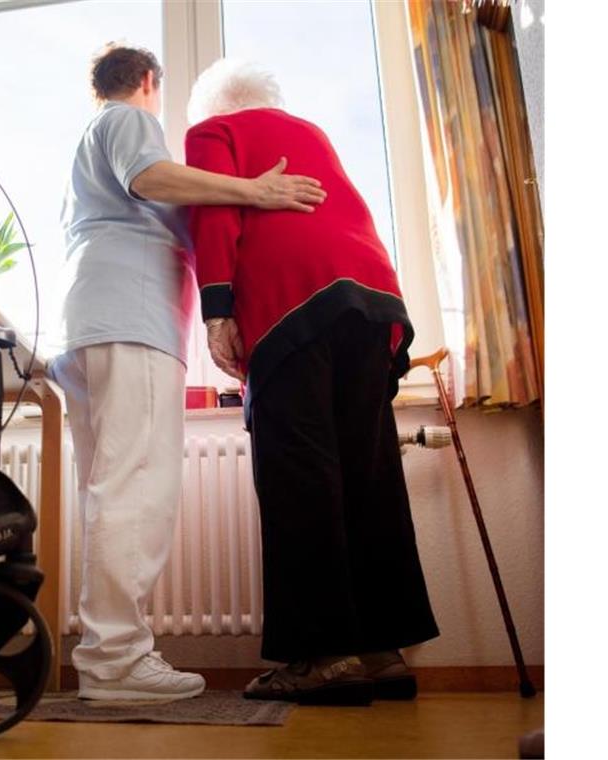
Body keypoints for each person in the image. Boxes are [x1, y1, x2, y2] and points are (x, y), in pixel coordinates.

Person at [51, 45, 326, 701]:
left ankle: (108, 654)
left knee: (111, 490)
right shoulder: (128, 120)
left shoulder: (90, 143)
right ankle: (116, 662)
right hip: (129, 320)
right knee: (138, 489)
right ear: (149, 82)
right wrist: (255, 190)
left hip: (93, 322)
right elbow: (152, 178)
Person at [185, 60, 439, 704]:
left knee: (300, 472)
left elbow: (215, 214)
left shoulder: (214, 133)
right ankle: (383, 651)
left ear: (212, 104)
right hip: (372, 295)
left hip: (292, 301)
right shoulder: (311, 132)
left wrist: (217, 313)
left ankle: (323, 657)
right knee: (368, 469)